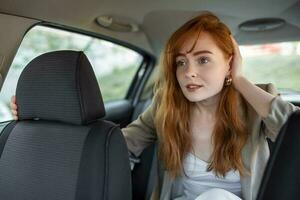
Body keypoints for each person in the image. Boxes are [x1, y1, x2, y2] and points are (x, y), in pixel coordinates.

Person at [10, 11, 299, 200]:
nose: (189, 72)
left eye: (204, 59)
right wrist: (49, 122)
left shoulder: (256, 101)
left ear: (229, 63)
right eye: (181, 62)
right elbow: (119, 145)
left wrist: (239, 81)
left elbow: (294, 133)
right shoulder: (166, 106)